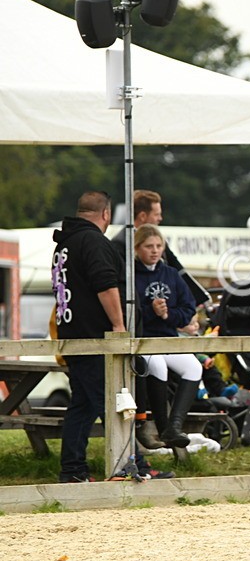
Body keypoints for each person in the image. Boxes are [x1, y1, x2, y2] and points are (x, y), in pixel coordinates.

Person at [51, 192, 173, 482]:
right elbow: (106, 285)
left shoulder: (64, 244)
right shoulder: (93, 241)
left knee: (84, 405)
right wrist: (119, 326)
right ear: (106, 214)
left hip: (73, 335)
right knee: (115, 405)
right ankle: (132, 465)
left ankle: (73, 470)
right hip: (97, 339)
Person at [133, 224, 202, 449]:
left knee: (194, 367)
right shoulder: (131, 274)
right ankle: (163, 428)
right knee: (158, 366)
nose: (154, 250)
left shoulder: (171, 274)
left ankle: (174, 425)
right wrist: (151, 310)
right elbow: (130, 311)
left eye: (159, 246)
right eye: (148, 246)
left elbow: (188, 308)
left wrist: (167, 314)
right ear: (137, 248)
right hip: (144, 342)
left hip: (168, 338)